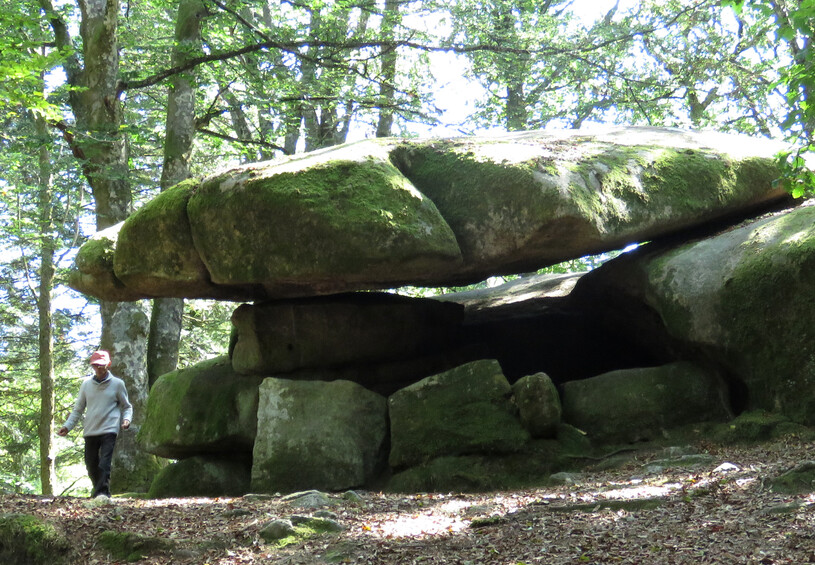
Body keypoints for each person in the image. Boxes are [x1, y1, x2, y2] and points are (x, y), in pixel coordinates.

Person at [58, 350, 132, 498]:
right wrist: (67, 426)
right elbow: (78, 409)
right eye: (95, 365)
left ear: (108, 365)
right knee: (91, 465)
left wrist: (127, 419)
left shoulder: (118, 384)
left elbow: (127, 406)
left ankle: (101, 494)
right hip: (91, 430)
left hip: (109, 429)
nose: (98, 368)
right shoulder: (86, 385)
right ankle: (100, 491)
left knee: (104, 464)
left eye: (101, 365)